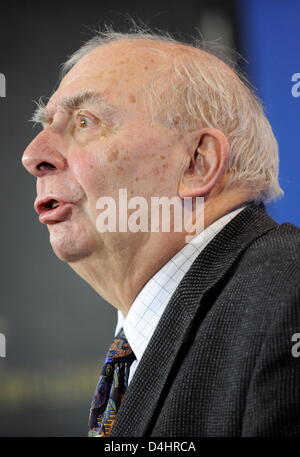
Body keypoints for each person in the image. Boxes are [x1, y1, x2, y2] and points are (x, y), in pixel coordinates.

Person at [22, 28, 300, 437]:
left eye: (85, 121)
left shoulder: (287, 298)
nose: (33, 156)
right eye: (46, 124)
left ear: (197, 163)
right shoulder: (148, 337)